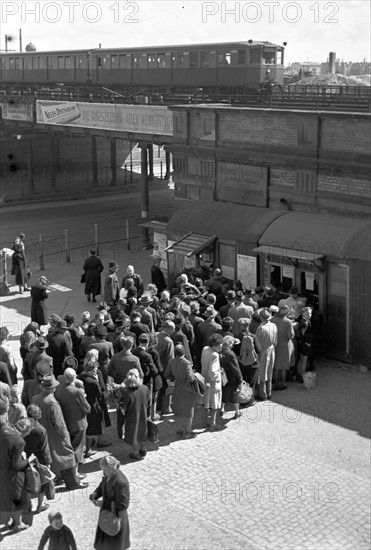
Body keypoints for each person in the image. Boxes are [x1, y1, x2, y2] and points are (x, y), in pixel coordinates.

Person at [32, 375, 88, 490]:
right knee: (67, 456)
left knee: (52, 456)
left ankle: (57, 477)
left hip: (43, 432)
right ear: (53, 388)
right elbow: (59, 424)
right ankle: (73, 482)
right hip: (55, 434)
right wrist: (65, 435)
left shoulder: (35, 398)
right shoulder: (52, 403)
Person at [0, 395, 32, 531]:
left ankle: (9, 522)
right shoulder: (19, 441)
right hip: (12, 475)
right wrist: (28, 461)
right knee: (17, 498)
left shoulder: (4, 428)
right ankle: (17, 523)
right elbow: (17, 465)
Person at [89, 455, 130, 550]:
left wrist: (103, 503)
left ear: (111, 468)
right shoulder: (107, 474)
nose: (103, 472)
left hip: (117, 516)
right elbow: (103, 484)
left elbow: (123, 505)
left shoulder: (121, 482)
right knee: (104, 542)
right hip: (106, 513)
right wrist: (96, 493)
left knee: (114, 545)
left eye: (104, 469)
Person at [15, 412, 51, 514]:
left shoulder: (20, 430)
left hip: (25, 458)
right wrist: (48, 462)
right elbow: (45, 449)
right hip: (38, 459)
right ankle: (40, 505)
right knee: (41, 483)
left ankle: (29, 506)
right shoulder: (41, 430)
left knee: (28, 483)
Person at [54, 367, 91, 466]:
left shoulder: (58, 388)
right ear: (75, 377)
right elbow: (87, 408)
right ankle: (75, 468)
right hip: (78, 423)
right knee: (78, 447)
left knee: (70, 445)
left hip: (66, 421)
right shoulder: (76, 391)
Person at [78, 350, 111, 458]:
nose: (96, 371)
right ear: (92, 370)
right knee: (91, 431)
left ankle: (86, 448)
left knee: (87, 429)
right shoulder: (93, 382)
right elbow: (100, 394)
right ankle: (88, 450)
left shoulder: (79, 378)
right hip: (93, 406)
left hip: (82, 406)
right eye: (95, 369)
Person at [165, 344, 197, 438]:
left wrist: (173, 377)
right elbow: (191, 378)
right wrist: (195, 375)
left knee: (178, 410)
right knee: (188, 410)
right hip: (187, 390)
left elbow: (166, 374)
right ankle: (188, 431)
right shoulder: (186, 363)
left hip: (177, 388)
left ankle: (179, 430)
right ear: (184, 353)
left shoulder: (171, 361)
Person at [119, 369, 150, 460]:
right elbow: (148, 401)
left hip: (132, 416)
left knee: (134, 435)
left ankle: (136, 453)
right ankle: (143, 449)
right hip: (143, 414)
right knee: (142, 431)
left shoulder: (127, 393)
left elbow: (123, 406)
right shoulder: (145, 388)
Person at [201, 333, 224, 431]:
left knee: (206, 403)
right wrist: (219, 376)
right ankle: (213, 424)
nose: (221, 348)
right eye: (219, 346)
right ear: (214, 346)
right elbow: (213, 371)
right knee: (214, 404)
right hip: (213, 382)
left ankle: (204, 422)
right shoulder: (215, 355)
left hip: (204, 379)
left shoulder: (205, 349)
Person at [255, 308, 278, 401]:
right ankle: (269, 392)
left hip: (263, 350)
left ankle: (262, 394)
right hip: (272, 349)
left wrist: (258, 352)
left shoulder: (260, 328)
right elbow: (276, 340)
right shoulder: (274, 325)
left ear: (261, 317)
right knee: (269, 371)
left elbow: (257, 343)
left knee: (262, 372)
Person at [271, 305, 295, 390]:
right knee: (283, 366)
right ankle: (282, 383)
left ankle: (276, 383)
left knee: (276, 366)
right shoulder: (288, 322)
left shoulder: (272, 319)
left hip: (275, 344)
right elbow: (291, 336)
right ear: (288, 312)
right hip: (285, 344)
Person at [220, 335, 244, 419]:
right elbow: (236, 368)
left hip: (223, 376)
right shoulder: (230, 354)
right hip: (232, 378)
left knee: (224, 393)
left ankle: (222, 409)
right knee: (235, 395)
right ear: (230, 344)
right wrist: (240, 380)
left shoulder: (220, 351)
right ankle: (237, 412)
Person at [238, 318, 258, 384]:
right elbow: (258, 350)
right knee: (251, 382)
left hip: (241, 362)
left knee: (243, 381)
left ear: (241, 326)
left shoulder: (238, 337)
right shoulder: (254, 337)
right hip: (252, 361)